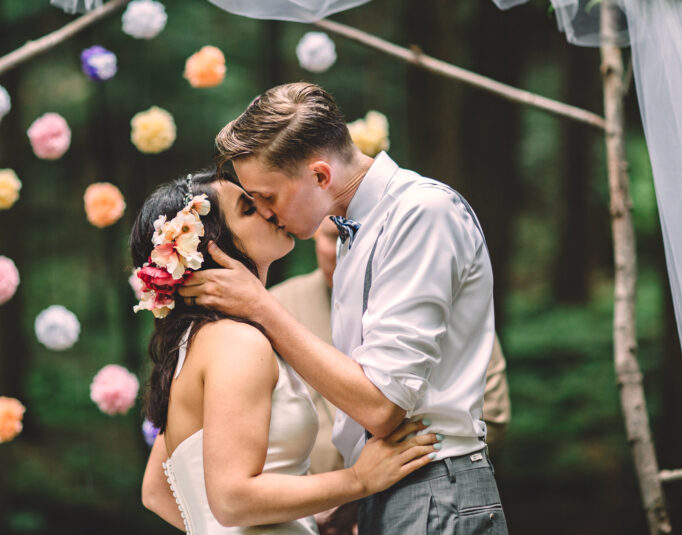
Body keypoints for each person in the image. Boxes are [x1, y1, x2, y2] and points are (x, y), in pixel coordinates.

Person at [179, 83, 509, 533]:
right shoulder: (356, 232)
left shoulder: (421, 213)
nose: (267, 213)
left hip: (436, 487)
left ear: (319, 176)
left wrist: (261, 307)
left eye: (268, 197)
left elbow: (382, 405)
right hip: (394, 490)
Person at [137, 169, 442, 534]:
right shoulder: (237, 343)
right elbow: (232, 498)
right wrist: (359, 480)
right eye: (249, 209)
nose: (269, 210)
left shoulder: (194, 342)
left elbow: (156, 491)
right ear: (210, 247)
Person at [271, 219, 512, 465]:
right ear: (313, 233)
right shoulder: (277, 306)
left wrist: (406, 469)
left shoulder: (441, 300)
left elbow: (491, 413)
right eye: (335, 237)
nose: (347, 253)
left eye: (363, 239)